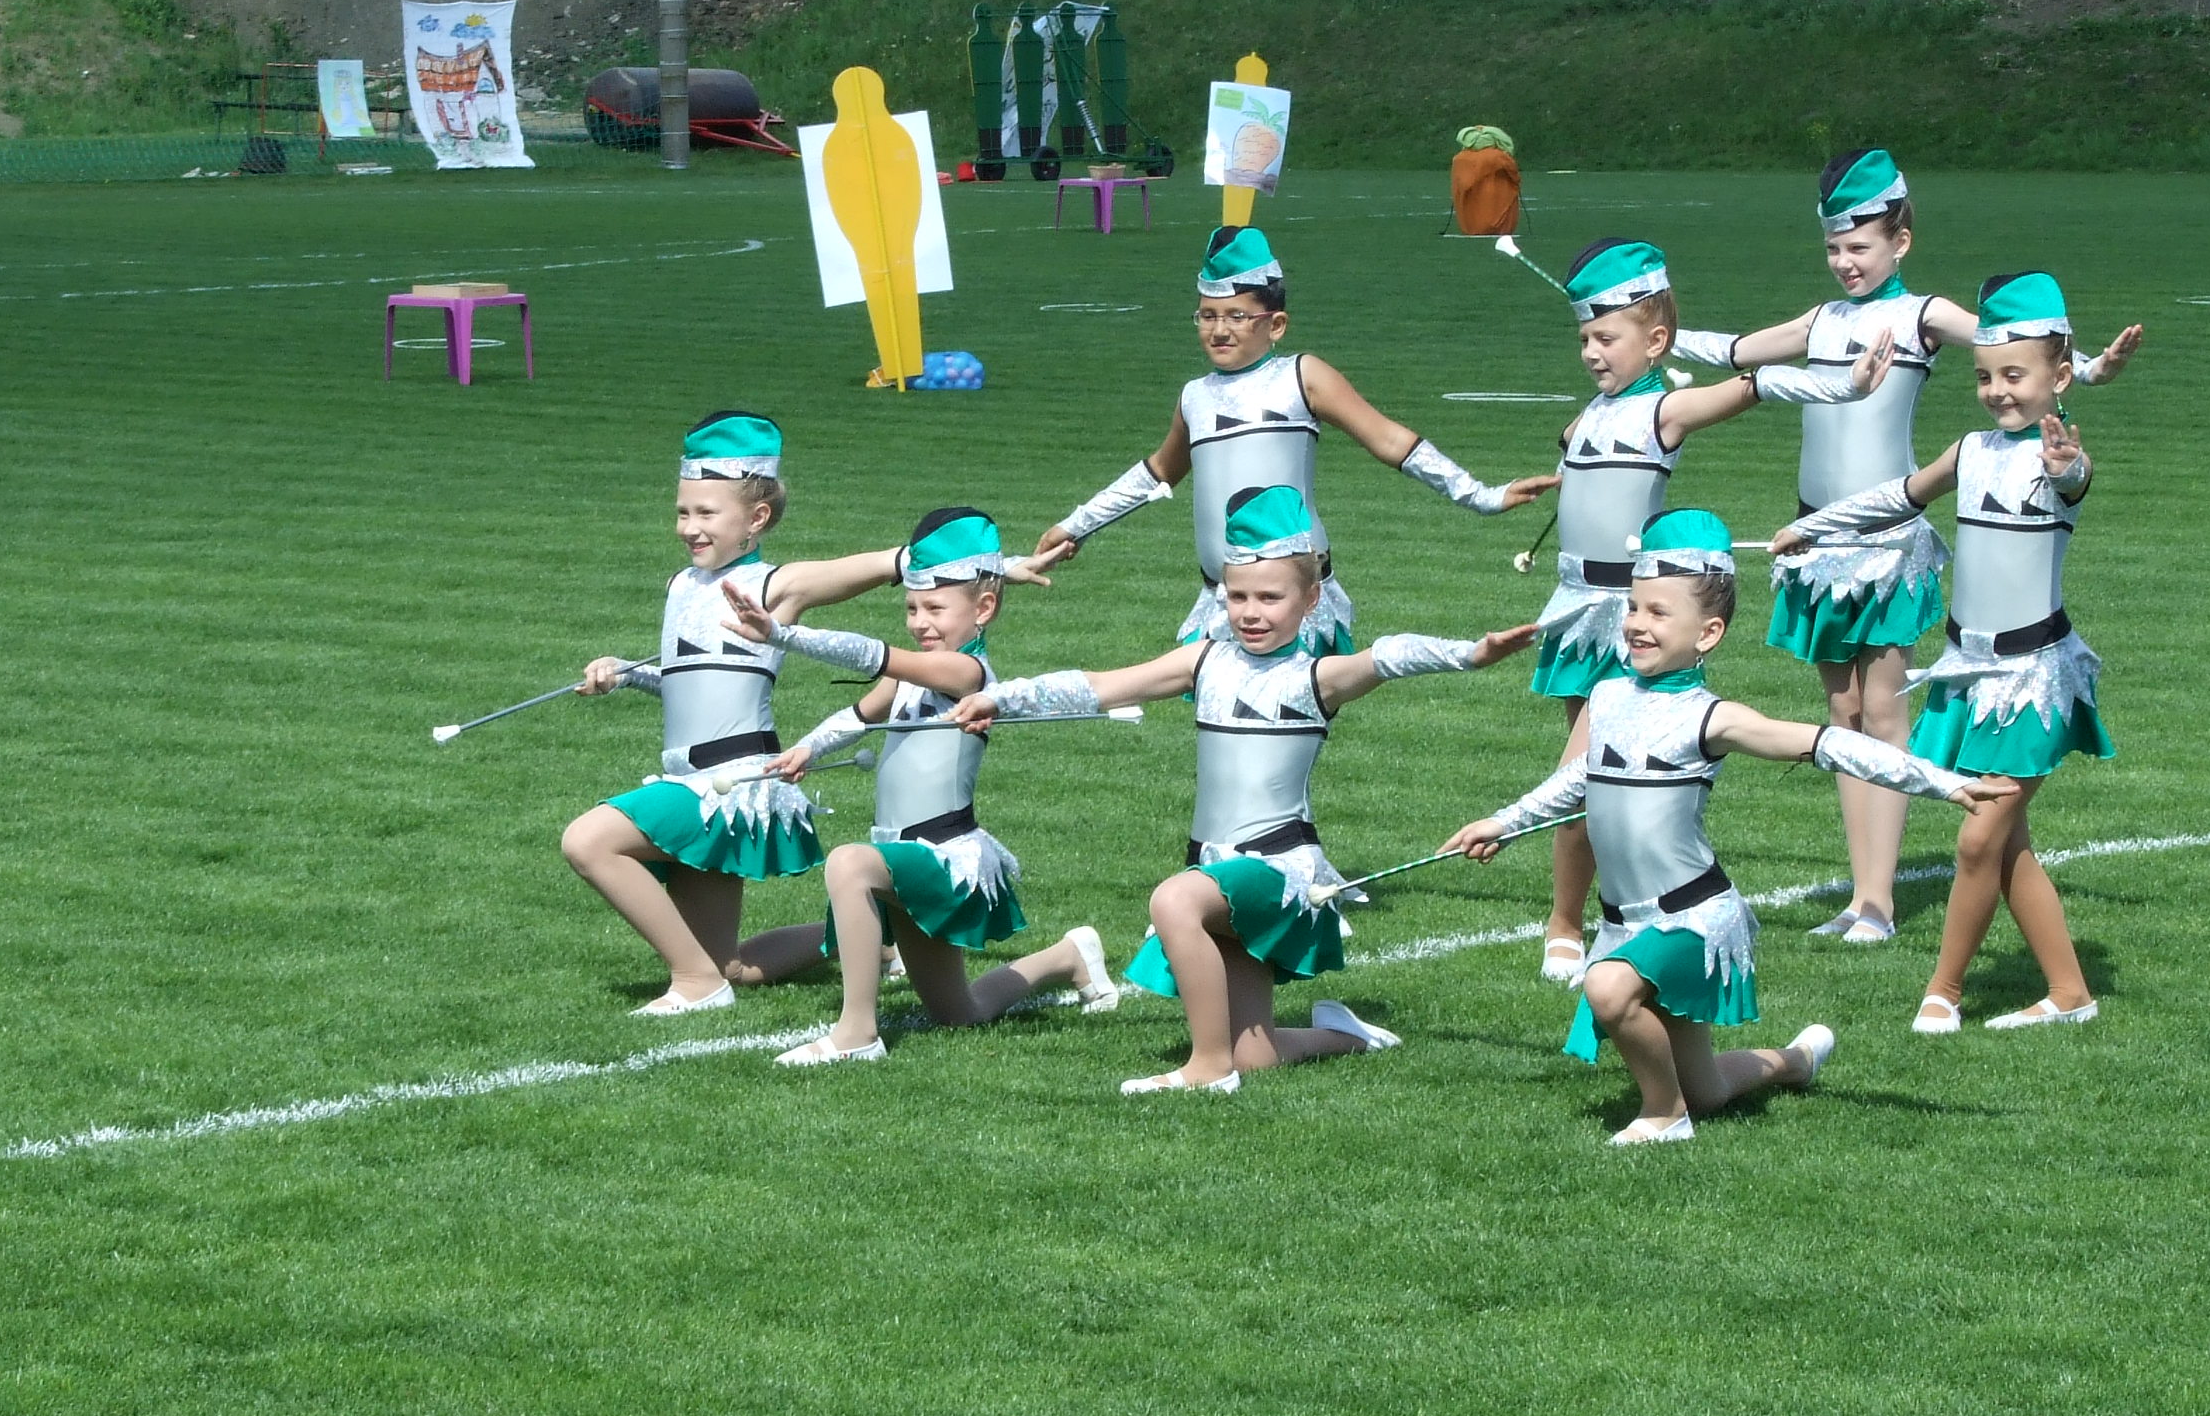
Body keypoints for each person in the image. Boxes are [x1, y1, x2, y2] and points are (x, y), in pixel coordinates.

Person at [1668, 148, 2142, 943]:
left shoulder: (1923, 314)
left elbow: (2017, 344)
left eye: (1860, 246)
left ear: (1901, 240)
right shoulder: (1821, 321)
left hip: (1887, 543)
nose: (1845, 261)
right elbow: (1738, 349)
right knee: (1843, 713)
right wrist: (1655, 337)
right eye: (1834, 247)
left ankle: (1880, 903)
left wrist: (2090, 371)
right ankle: (1860, 896)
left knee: (1884, 713)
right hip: (1819, 538)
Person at [1445, 510, 2013, 1146]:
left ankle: (1664, 1116)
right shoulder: (1607, 698)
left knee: (1607, 988)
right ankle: (1793, 1062)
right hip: (1623, 922)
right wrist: (1501, 823)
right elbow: (1578, 781)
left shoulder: (1712, 718)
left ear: (1708, 633)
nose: (1636, 623)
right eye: (1633, 607)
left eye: (1659, 612)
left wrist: (1941, 781)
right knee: (1711, 1089)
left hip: (1691, 919)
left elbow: (1830, 744)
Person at [967, 485, 1538, 1094]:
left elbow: (1387, 656)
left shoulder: (1317, 678)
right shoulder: (1204, 660)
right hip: (1215, 864)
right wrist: (1002, 697)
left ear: (1310, 599)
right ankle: (1345, 1036)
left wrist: (1470, 654)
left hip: (1279, 867)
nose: (1251, 612)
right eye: (1237, 596)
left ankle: (1206, 1071)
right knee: (1257, 1054)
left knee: (1174, 901)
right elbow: (1100, 685)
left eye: (1270, 597)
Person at [1519, 236, 1874, 989]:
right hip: (1576, 612)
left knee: (1584, 772)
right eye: (1585, 339)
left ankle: (1570, 923)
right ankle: (1586, 917)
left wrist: (1840, 386)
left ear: (1655, 342)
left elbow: (1751, 388)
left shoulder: (1666, 408)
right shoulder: (1591, 414)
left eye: (1607, 338)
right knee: (1594, 780)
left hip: (1631, 615)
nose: (1592, 353)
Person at [1770, 271, 2111, 1036]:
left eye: (2015, 375)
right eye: (1986, 376)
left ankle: (1943, 991)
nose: (1997, 391)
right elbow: (1898, 495)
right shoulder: (1971, 450)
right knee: (2008, 847)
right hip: (1965, 675)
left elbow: (2075, 481)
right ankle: (2069, 992)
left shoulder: (2057, 459)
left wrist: (2069, 467)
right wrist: (1815, 528)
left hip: (2032, 678)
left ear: (2060, 377)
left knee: (1977, 836)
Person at [1028, 225, 1556, 654]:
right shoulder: (1195, 396)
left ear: (1275, 324)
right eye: (1207, 315)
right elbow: (1159, 472)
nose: (1219, 329)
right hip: (1223, 602)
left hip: (1293, 602)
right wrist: (1076, 524)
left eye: (1237, 316)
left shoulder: (1302, 376)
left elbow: (1389, 439)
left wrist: (1481, 495)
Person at [718, 508, 1120, 1066]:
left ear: (983, 610)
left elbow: (874, 654)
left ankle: (856, 1033)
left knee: (850, 864)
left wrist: (783, 634)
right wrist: (807, 748)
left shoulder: (967, 674)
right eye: (911, 607)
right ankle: (1068, 956)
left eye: (935, 608)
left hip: (941, 854)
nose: (919, 622)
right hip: (902, 854)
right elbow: (857, 717)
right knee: (961, 1012)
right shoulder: (913, 674)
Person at [558, 412, 911, 1016]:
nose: (689, 527)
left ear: (757, 519)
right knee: (734, 965)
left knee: (588, 841)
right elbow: (691, 686)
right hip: (687, 777)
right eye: (682, 512)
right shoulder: (681, 586)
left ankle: (695, 984)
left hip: (730, 784)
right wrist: (624, 672)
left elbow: (883, 563)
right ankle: (877, 937)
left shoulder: (772, 585)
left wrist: (978, 564)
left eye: (706, 513)